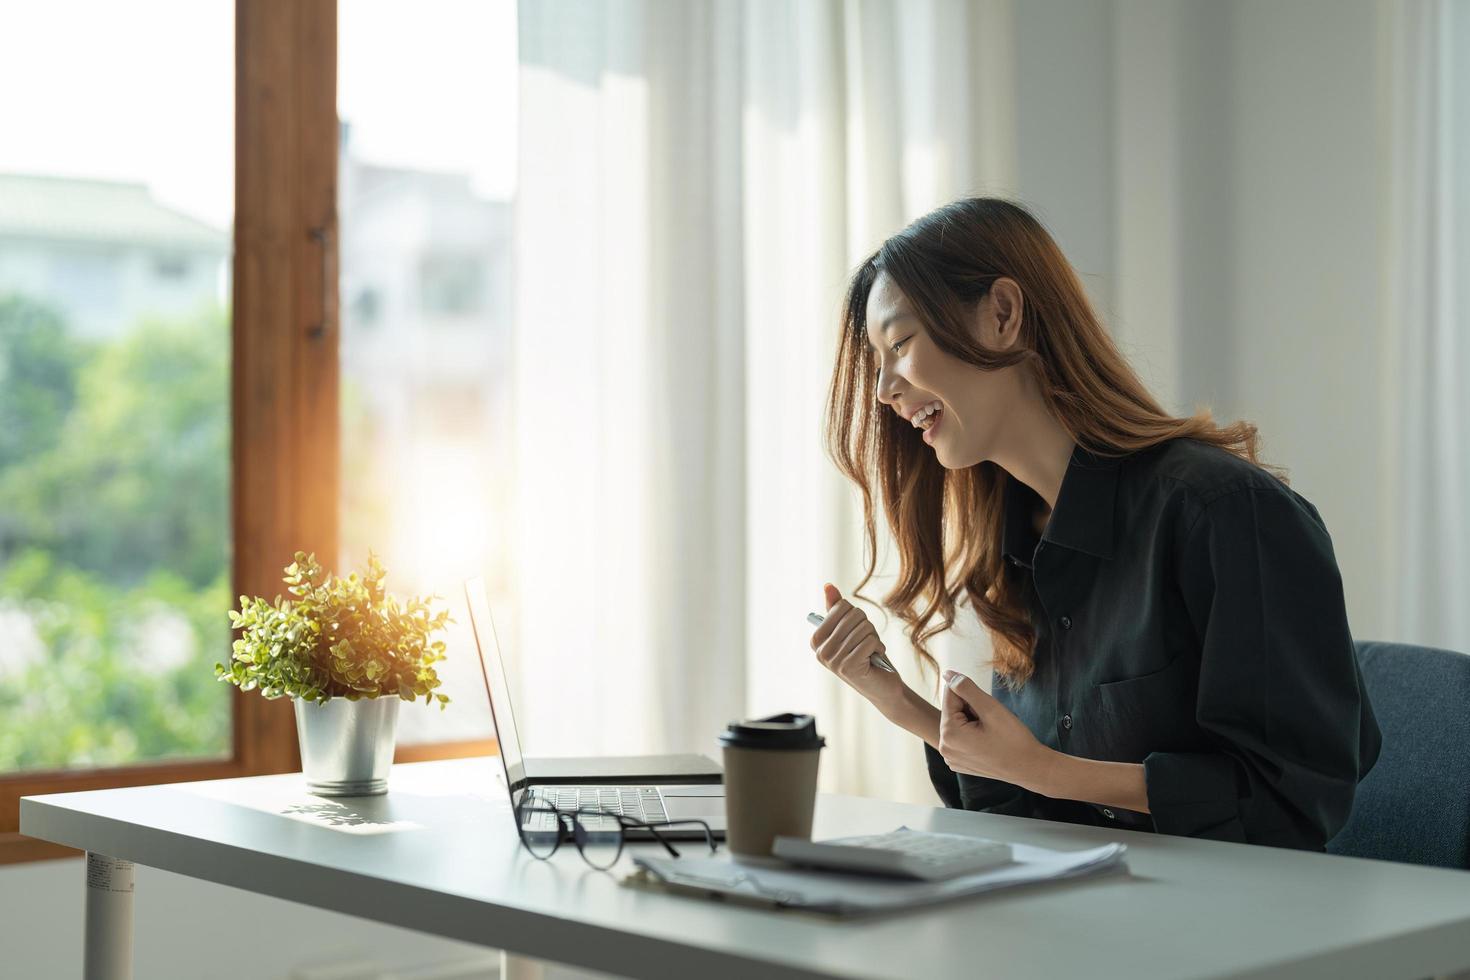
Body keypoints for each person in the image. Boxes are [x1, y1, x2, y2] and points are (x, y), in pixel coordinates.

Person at [808, 197, 1381, 851]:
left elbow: (1292, 800)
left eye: (900, 344)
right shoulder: (1015, 545)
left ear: (1002, 315)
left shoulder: (1223, 514)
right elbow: (1024, 807)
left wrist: (1047, 770)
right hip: (1084, 925)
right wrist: (901, 705)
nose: (884, 390)